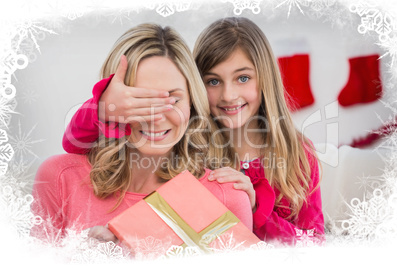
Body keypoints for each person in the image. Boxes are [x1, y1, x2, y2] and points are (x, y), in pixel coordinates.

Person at [61, 17, 325, 245]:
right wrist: (105, 107)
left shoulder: (297, 154)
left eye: (243, 78)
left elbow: (313, 246)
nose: (229, 95)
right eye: (213, 81)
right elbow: (75, 141)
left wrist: (257, 210)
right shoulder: (186, 140)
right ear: (195, 86)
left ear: (264, 78)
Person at [31, 23, 252, 247]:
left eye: (172, 100)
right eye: (139, 101)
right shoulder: (59, 178)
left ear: (192, 104)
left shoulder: (227, 198)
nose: (155, 117)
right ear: (111, 103)